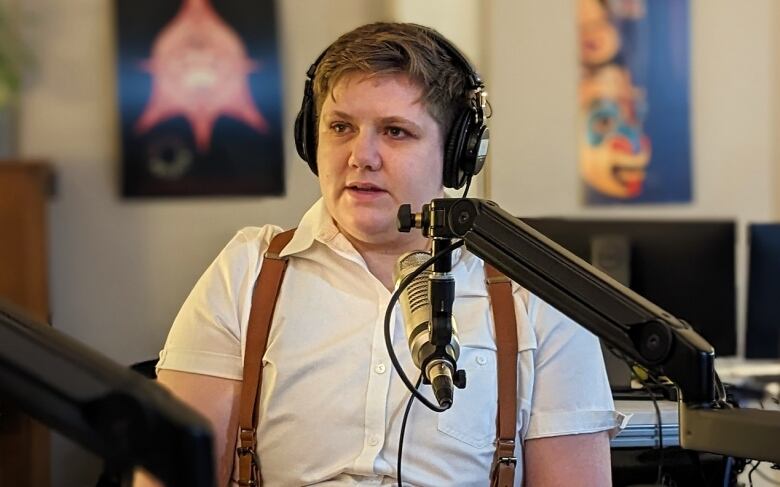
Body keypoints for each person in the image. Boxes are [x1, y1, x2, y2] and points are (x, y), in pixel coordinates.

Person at [135, 22, 624, 486]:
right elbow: (170, 473)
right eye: (341, 127)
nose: (360, 156)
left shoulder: (535, 289)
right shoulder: (247, 269)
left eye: (395, 131)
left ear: (457, 154)